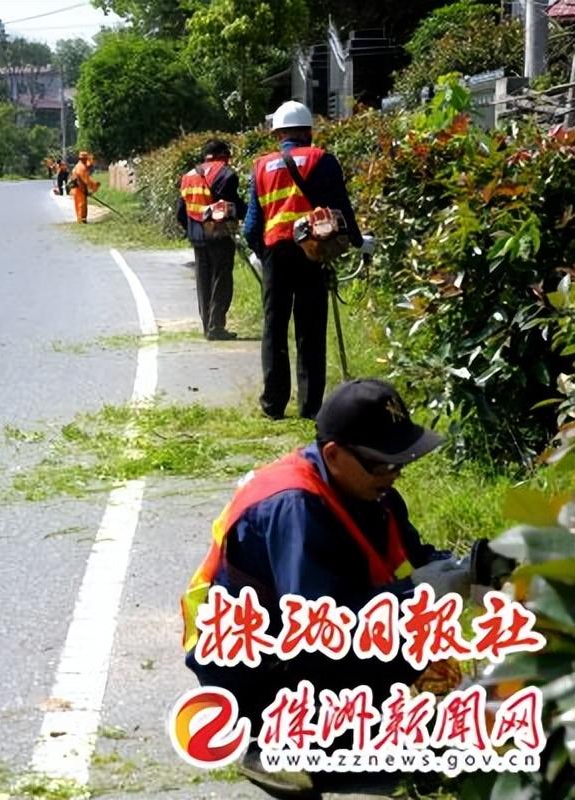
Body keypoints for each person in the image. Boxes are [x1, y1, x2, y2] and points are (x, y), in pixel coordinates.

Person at [180, 379, 469, 795]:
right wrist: (417, 596)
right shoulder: (294, 508)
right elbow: (318, 627)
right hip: (256, 668)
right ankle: (276, 749)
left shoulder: (374, 493)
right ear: (334, 455)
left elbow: (411, 557)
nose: (395, 471)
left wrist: (470, 570)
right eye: (382, 463)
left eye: (400, 461)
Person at [243, 101, 363, 420]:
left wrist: (261, 252)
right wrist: (358, 242)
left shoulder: (260, 167)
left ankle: (273, 403)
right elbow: (342, 211)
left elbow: (251, 225)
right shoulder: (322, 160)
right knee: (310, 329)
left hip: (275, 254)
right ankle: (310, 406)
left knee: (274, 328)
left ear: (277, 134)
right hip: (313, 251)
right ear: (309, 132)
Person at [176, 140, 247, 341]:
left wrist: (191, 230)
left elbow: (181, 212)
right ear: (221, 154)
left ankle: (207, 325)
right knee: (221, 279)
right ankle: (216, 325)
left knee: (203, 281)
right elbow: (231, 205)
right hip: (219, 235)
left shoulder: (188, 176)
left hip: (197, 237)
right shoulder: (226, 174)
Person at [68, 151, 100, 224]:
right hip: (79, 188)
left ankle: (80, 219)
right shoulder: (81, 167)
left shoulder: (78, 165)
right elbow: (86, 180)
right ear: (83, 159)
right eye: (85, 159)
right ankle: (82, 220)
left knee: (79, 204)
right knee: (82, 204)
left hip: (77, 188)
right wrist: (94, 186)